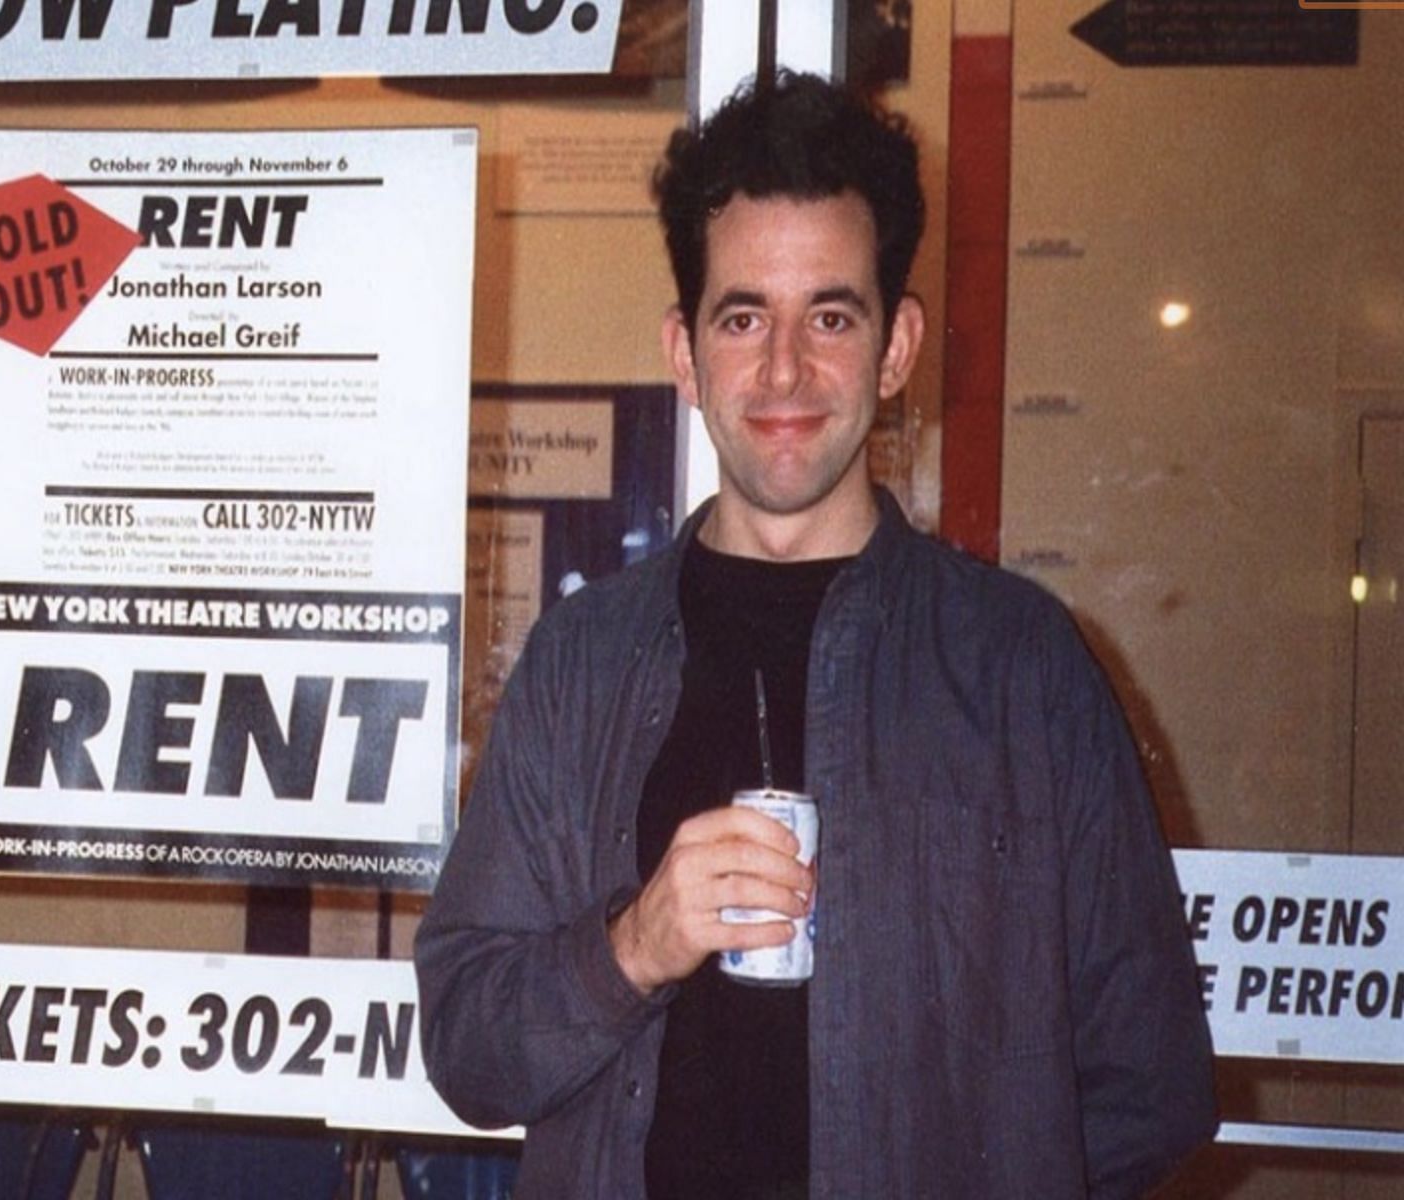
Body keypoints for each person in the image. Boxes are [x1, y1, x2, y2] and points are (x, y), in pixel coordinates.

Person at [414, 72, 1217, 1198]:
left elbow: (1152, 1083)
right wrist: (636, 944)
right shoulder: (579, 664)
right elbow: (465, 1048)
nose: (784, 370)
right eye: (742, 317)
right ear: (684, 353)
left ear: (897, 349)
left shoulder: (1023, 669)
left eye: (830, 317)